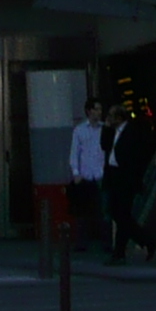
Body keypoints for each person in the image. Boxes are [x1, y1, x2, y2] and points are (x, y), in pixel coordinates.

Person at [105, 104, 154, 264]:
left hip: (125, 178)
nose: (108, 119)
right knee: (117, 214)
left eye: (111, 116)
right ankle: (146, 240)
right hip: (114, 176)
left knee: (122, 214)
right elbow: (104, 145)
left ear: (119, 118)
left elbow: (134, 159)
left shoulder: (131, 132)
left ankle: (120, 252)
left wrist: (134, 180)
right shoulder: (113, 132)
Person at [66, 98, 107, 255]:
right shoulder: (80, 130)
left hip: (101, 174)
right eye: (96, 109)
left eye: (100, 110)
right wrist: (76, 173)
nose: (99, 112)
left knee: (103, 211)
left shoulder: (105, 129)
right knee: (83, 212)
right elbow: (74, 152)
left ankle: (105, 243)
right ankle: (82, 243)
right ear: (89, 111)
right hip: (85, 176)